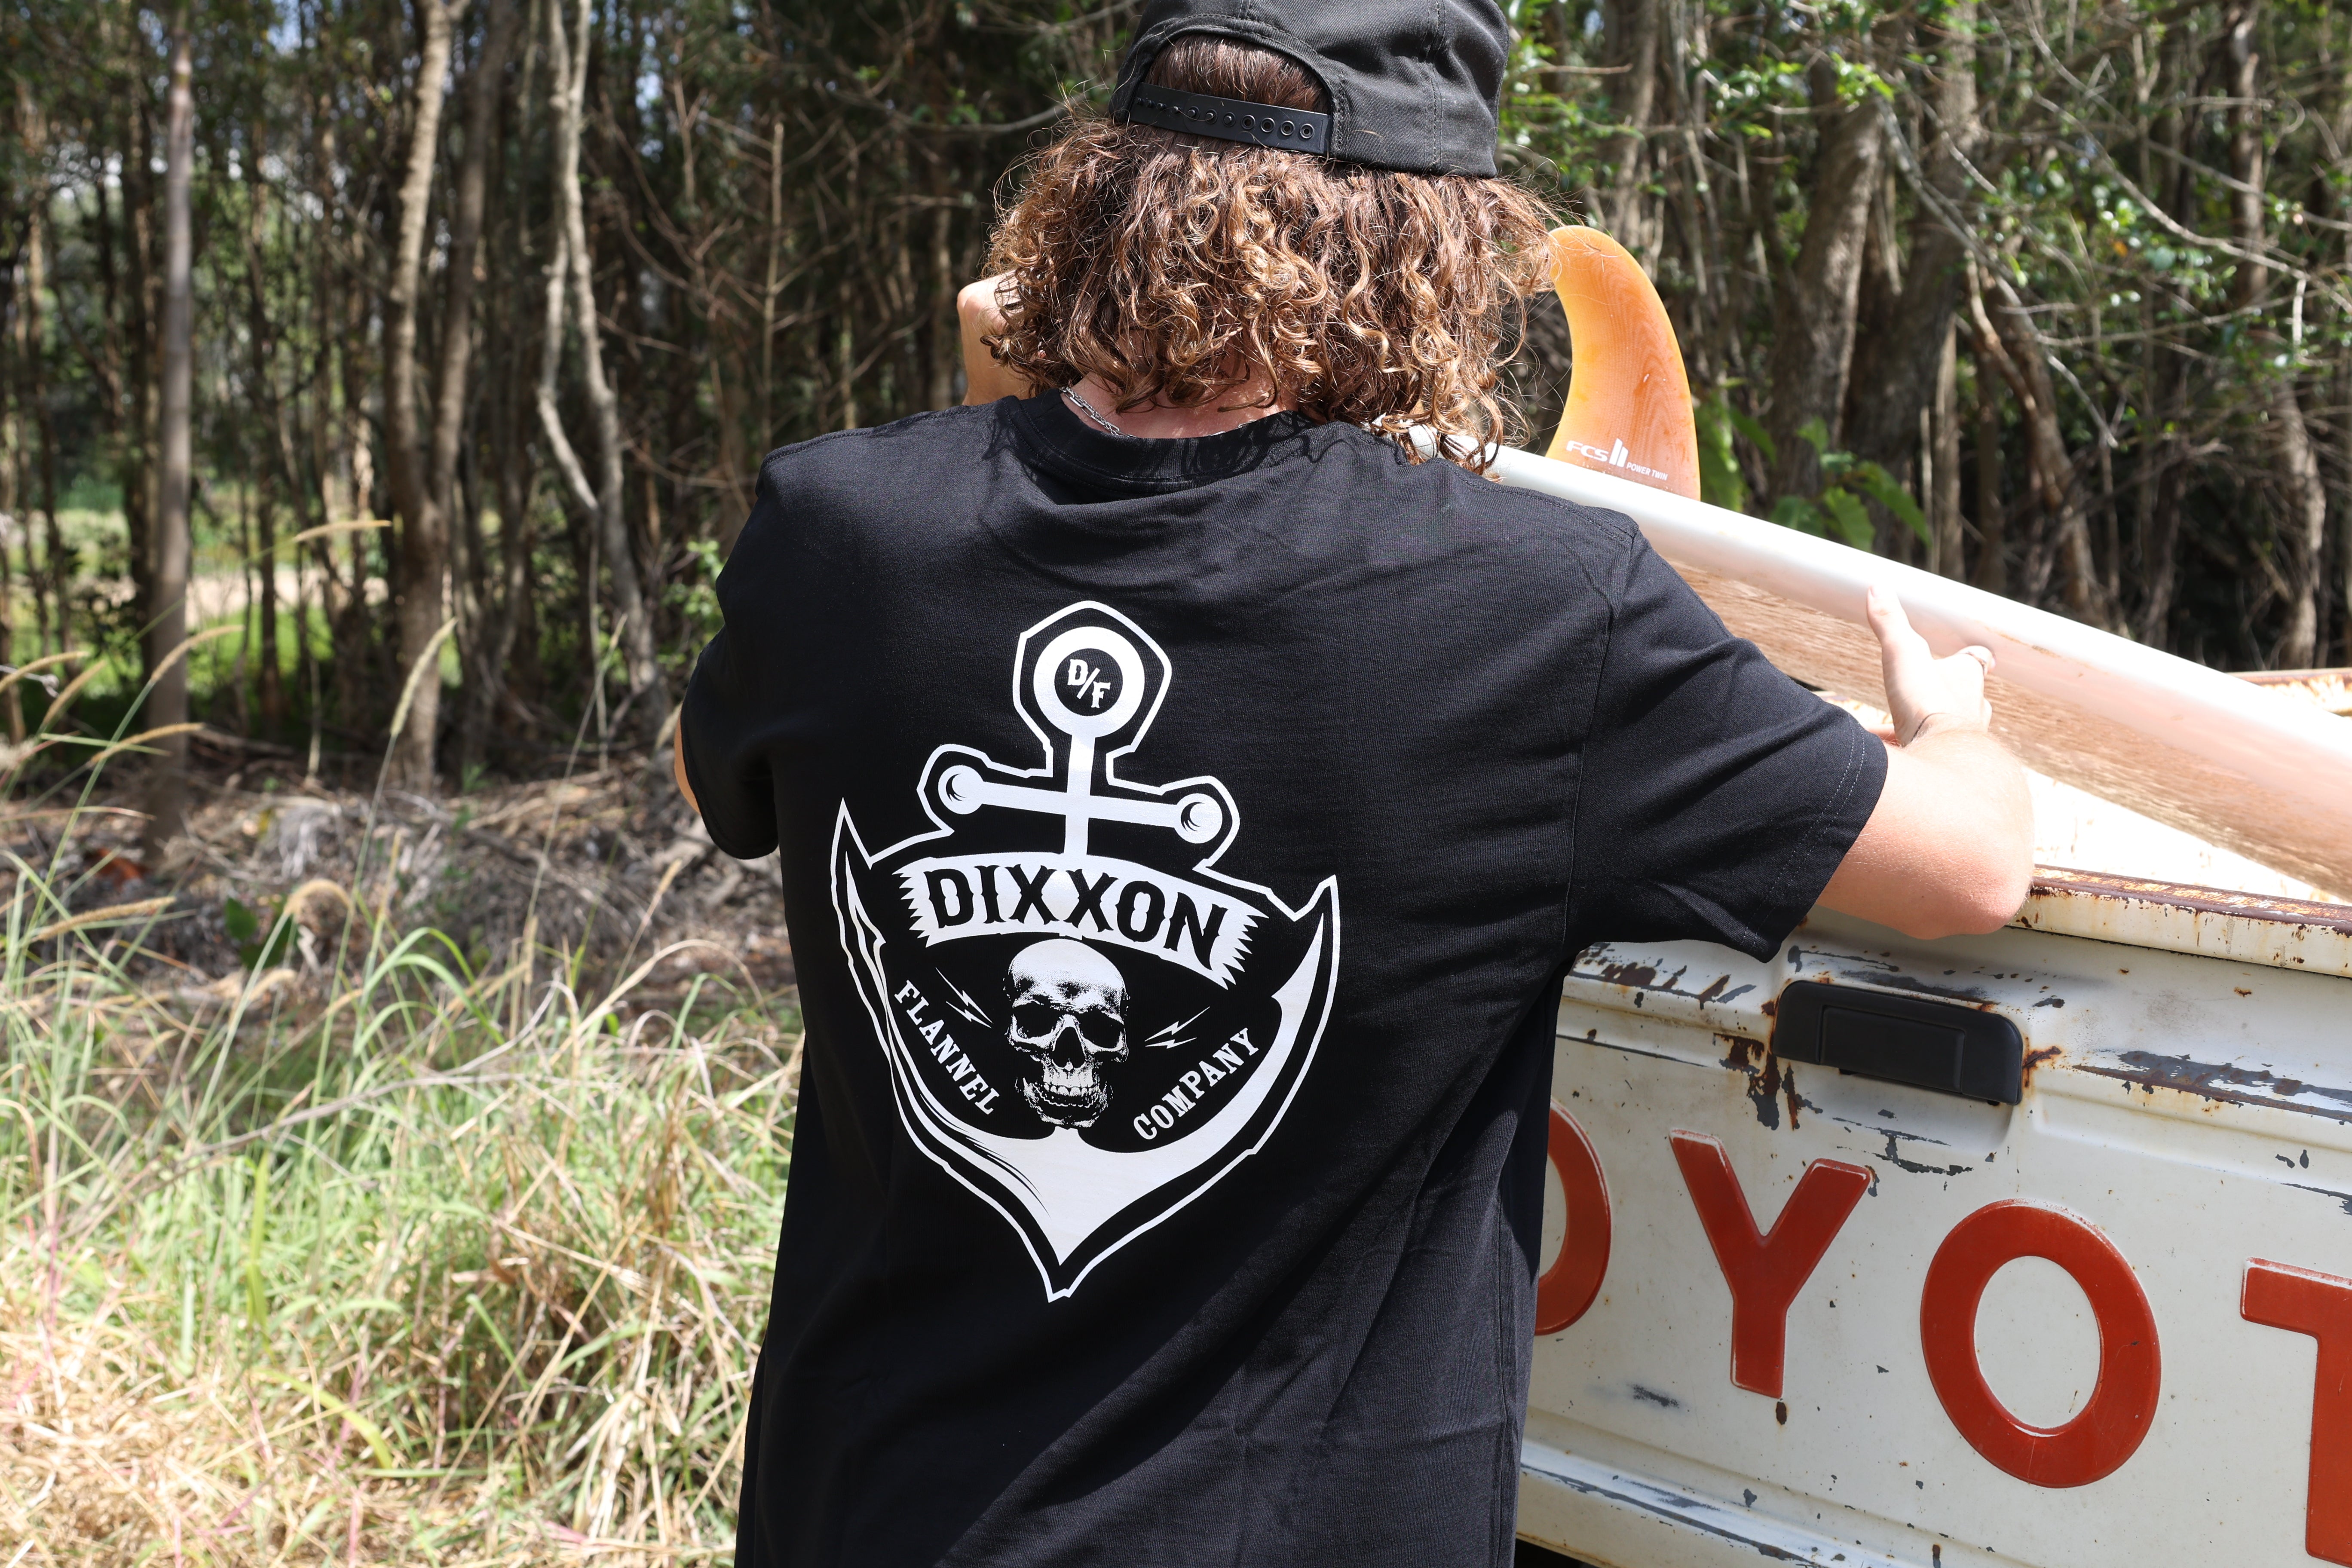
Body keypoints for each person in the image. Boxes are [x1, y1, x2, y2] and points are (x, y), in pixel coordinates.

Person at [675, 3, 2034, 1563]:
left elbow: (721, 778)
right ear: (1433, 241)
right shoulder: (1534, 611)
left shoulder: (841, 530)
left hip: (866, 1518)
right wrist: (1956, 726)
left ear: (1102, 182)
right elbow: (1971, 870)